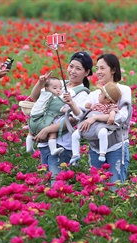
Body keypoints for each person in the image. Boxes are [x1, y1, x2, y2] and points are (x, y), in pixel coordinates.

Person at [31, 52, 93, 181]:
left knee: (57, 184)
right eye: (71, 66)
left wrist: (47, 130)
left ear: (87, 73)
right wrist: (40, 83)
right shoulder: (59, 84)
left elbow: (73, 119)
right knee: (46, 183)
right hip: (44, 142)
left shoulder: (83, 94)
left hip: (62, 145)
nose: (73, 71)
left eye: (78, 68)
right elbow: (35, 98)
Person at [79, 54, 132, 185]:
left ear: (113, 70)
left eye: (102, 68)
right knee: (96, 188)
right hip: (95, 147)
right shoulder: (94, 94)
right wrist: (70, 104)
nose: (98, 72)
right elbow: (81, 115)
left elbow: (122, 117)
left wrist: (95, 117)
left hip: (117, 146)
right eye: (97, 68)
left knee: (115, 187)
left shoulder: (123, 90)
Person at [26, 76, 81, 156]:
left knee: (30, 132)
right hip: (44, 124)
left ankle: (29, 147)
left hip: (32, 121)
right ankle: (53, 149)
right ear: (47, 88)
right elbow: (64, 110)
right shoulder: (56, 100)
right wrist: (71, 106)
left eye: (60, 88)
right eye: (55, 88)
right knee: (52, 133)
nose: (58, 90)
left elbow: (33, 98)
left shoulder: (43, 95)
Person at [70, 82, 122, 165]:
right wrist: (88, 106)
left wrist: (111, 116)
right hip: (89, 125)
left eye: (101, 94)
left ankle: (102, 153)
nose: (98, 95)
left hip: (99, 125)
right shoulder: (97, 104)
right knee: (75, 135)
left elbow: (113, 112)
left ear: (107, 99)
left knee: (103, 133)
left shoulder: (110, 106)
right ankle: (75, 154)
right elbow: (89, 111)